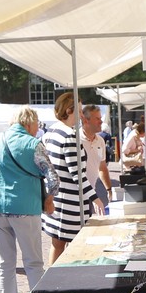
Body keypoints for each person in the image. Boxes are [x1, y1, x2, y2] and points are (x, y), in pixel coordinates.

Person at [0, 106, 60, 293]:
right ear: (29, 123)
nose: (38, 128)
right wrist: (48, 199)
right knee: (33, 263)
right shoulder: (33, 144)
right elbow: (53, 179)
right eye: (36, 124)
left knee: (4, 264)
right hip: (25, 208)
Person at [42, 91, 103, 263]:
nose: (82, 115)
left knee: (57, 245)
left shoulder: (52, 131)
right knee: (75, 249)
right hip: (69, 204)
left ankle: (53, 277)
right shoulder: (69, 136)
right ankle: (59, 278)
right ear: (69, 111)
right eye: (80, 111)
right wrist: (96, 199)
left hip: (57, 199)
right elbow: (78, 175)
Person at [81, 102, 113, 210]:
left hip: (91, 193)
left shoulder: (100, 141)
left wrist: (109, 189)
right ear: (86, 120)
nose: (101, 121)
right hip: (76, 194)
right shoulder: (75, 140)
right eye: (97, 118)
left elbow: (102, 168)